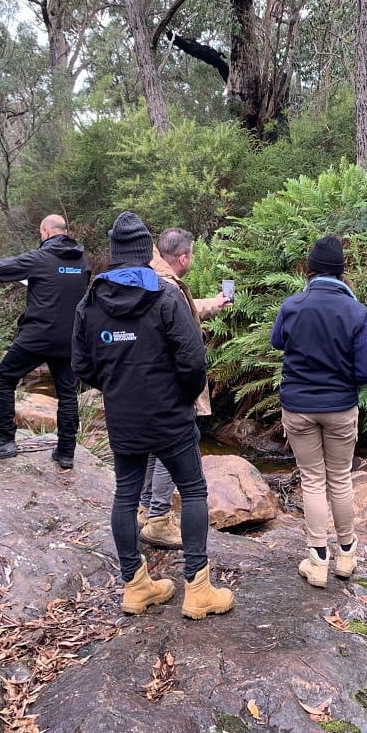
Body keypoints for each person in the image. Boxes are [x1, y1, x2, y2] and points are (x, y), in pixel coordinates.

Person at [73, 212, 233, 619]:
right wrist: (179, 395)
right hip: (170, 416)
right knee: (194, 491)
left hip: (123, 417)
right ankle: (198, 591)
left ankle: (136, 586)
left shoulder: (90, 301)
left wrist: (117, 387)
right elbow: (193, 359)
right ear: (147, 253)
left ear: (112, 254)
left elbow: (82, 367)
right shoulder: (166, 296)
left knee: (126, 495)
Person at [270, 235, 367, 588]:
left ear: (310, 269)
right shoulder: (356, 311)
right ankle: (346, 556)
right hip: (340, 407)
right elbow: (365, 371)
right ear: (342, 272)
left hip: (298, 407)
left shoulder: (293, 304)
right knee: (340, 478)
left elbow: (277, 342)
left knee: (313, 480)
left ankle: (317, 561)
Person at [0, 214, 90, 467]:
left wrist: (27, 264)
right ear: (64, 232)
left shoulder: (40, 258)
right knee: (67, 393)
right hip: (70, 338)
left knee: (2, 378)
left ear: (45, 232)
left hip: (38, 336)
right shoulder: (82, 260)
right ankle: (66, 450)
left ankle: (4, 439)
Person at [138, 227, 229, 549]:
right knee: (170, 449)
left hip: (148, 385)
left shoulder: (149, 279)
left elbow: (184, 311)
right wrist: (192, 388)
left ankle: (146, 507)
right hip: (171, 385)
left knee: (152, 447)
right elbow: (185, 346)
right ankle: (159, 518)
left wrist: (216, 304)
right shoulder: (167, 288)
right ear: (184, 257)